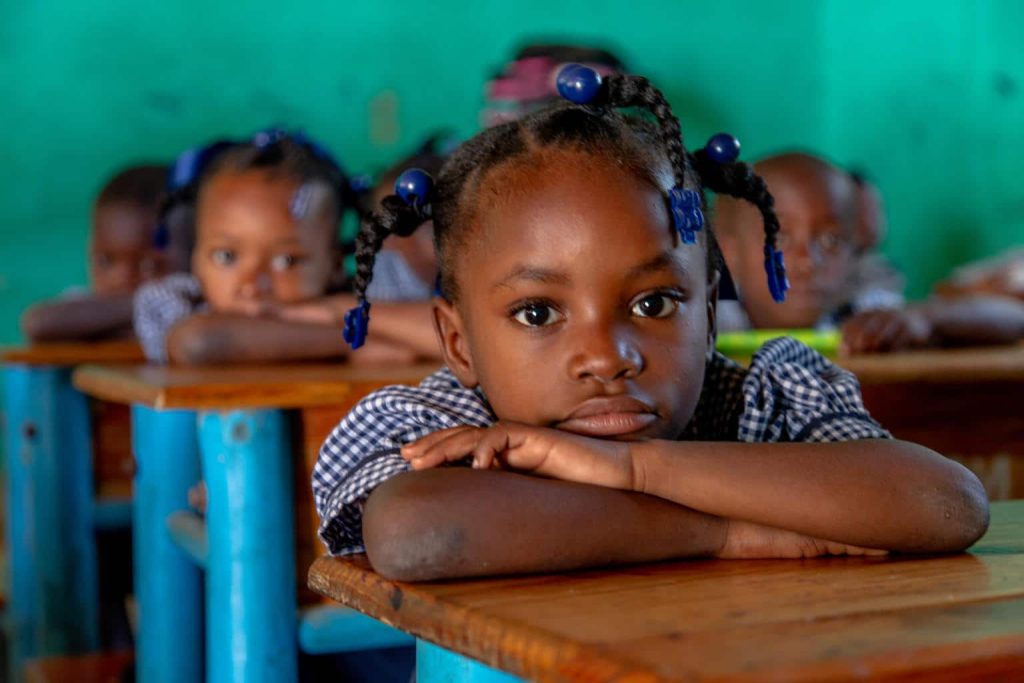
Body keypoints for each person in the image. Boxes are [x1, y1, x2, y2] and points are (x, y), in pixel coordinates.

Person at [313, 66, 989, 582]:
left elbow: (947, 503)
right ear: (459, 343)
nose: (607, 356)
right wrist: (722, 532)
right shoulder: (439, 428)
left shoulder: (763, 400)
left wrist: (636, 466)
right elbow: (418, 532)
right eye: (538, 313)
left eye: (654, 304)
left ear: (709, 312)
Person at [133, 129, 435, 365]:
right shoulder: (182, 300)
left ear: (334, 265)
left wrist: (335, 310)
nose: (253, 284)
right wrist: (360, 340)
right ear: (196, 259)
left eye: (287, 260)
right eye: (226, 256)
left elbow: (448, 330)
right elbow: (198, 343)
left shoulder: (367, 293)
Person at [21, 164, 168, 341]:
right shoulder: (81, 304)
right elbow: (38, 324)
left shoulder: (185, 310)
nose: (121, 277)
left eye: (148, 265)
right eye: (104, 261)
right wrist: (151, 303)